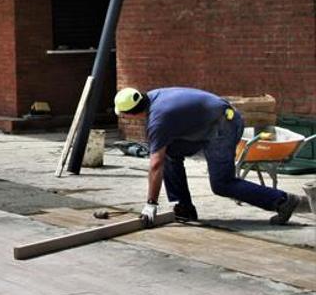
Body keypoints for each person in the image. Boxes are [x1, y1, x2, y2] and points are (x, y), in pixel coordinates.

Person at [114, 87, 301, 226]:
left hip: (223, 127)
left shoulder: (158, 121)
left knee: (222, 184)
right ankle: (184, 207)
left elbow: (155, 164)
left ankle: (282, 201)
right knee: (170, 153)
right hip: (213, 121)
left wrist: (151, 204)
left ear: (133, 113)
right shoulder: (153, 97)